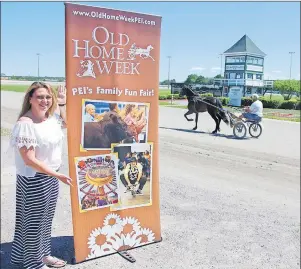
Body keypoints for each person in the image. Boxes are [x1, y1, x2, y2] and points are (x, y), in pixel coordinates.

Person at [9, 82, 73, 269]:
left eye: (48, 97)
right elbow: (29, 159)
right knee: (32, 224)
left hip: (50, 177)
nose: (45, 101)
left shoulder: (51, 118)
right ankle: (33, 263)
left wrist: (62, 104)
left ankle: (42, 255)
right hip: (34, 179)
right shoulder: (25, 124)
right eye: (39, 97)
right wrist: (58, 175)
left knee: (44, 220)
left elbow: (66, 123)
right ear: (30, 99)